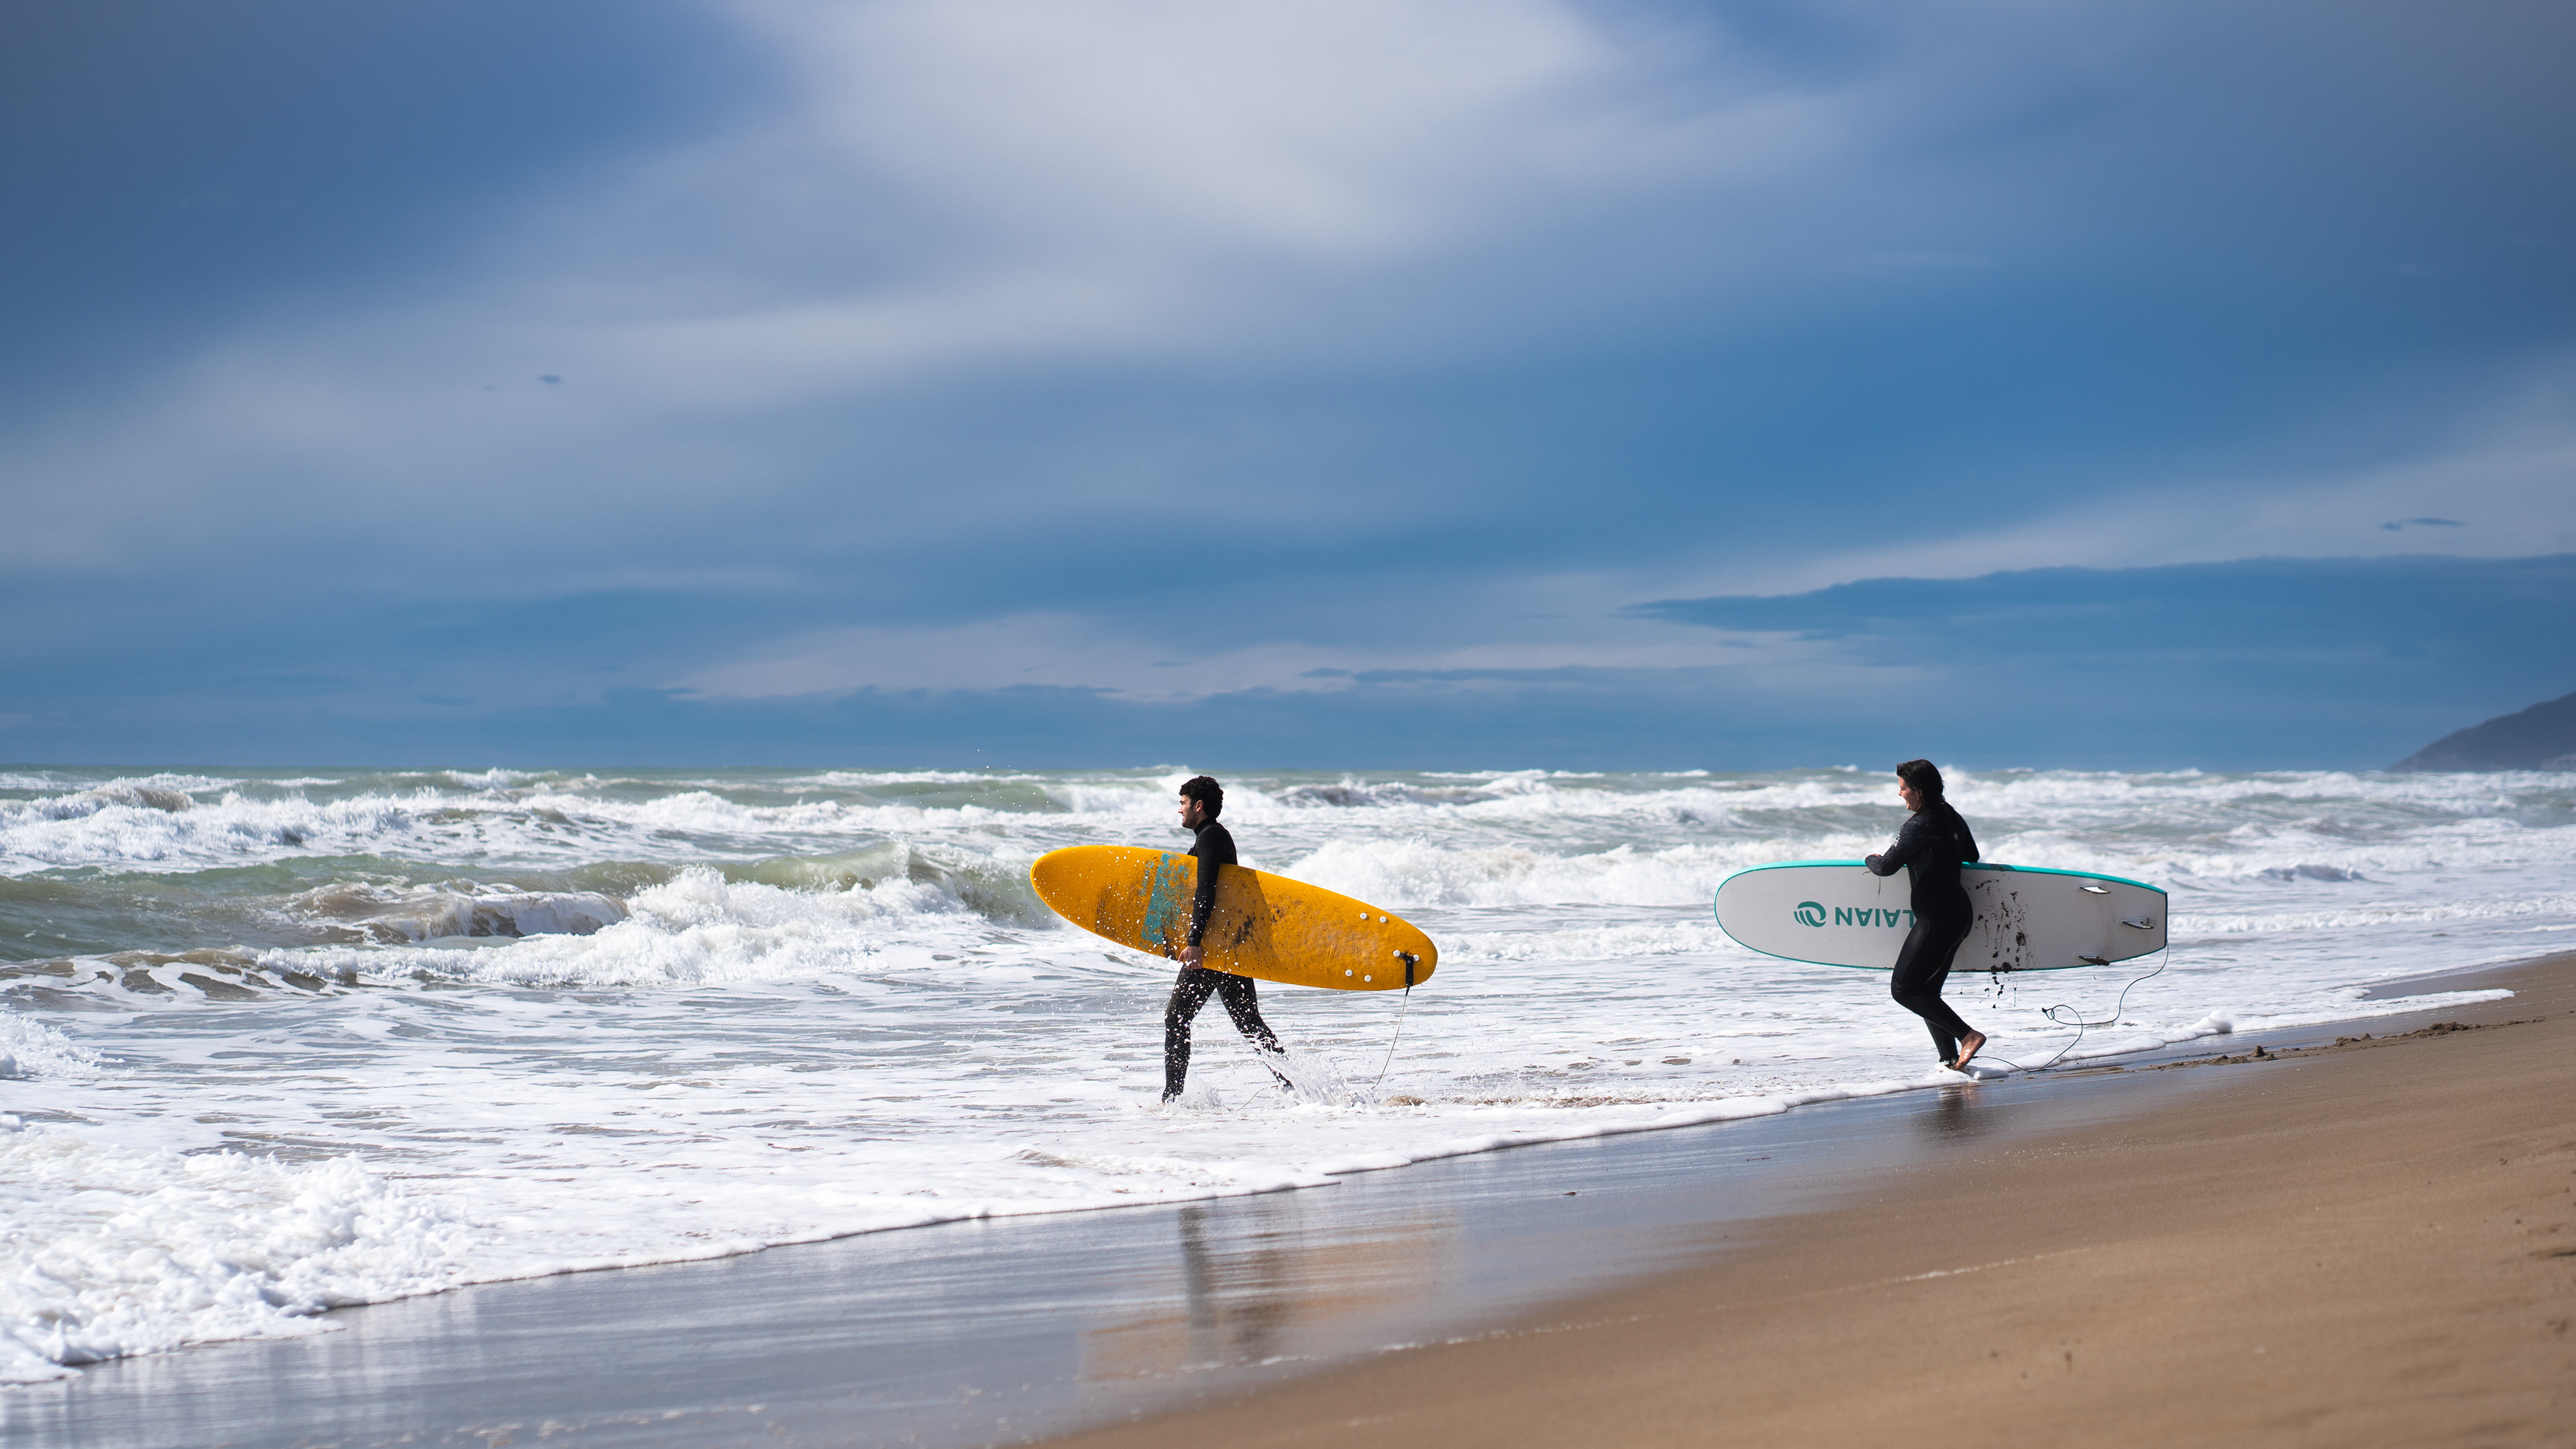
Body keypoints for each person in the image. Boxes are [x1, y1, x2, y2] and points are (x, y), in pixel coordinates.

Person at [1162, 775, 1287, 1102]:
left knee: (1176, 1018)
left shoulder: (1211, 836)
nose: (1180, 810)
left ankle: (1171, 1100)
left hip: (1213, 947)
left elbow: (1206, 891)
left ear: (1198, 806)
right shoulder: (1214, 836)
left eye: (1183, 803)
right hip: (1229, 946)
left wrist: (1194, 942)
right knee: (1249, 1023)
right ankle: (1298, 1087)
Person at [1864, 759, 1988, 1072]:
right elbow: (1972, 855)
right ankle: (1950, 1061)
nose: (1900, 794)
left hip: (1935, 919)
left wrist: (1870, 858)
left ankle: (1968, 1036)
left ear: (1918, 790)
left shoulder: (1918, 826)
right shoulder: (1951, 816)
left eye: (1903, 788)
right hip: (1959, 915)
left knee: (1904, 990)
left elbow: (1885, 867)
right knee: (1928, 992)